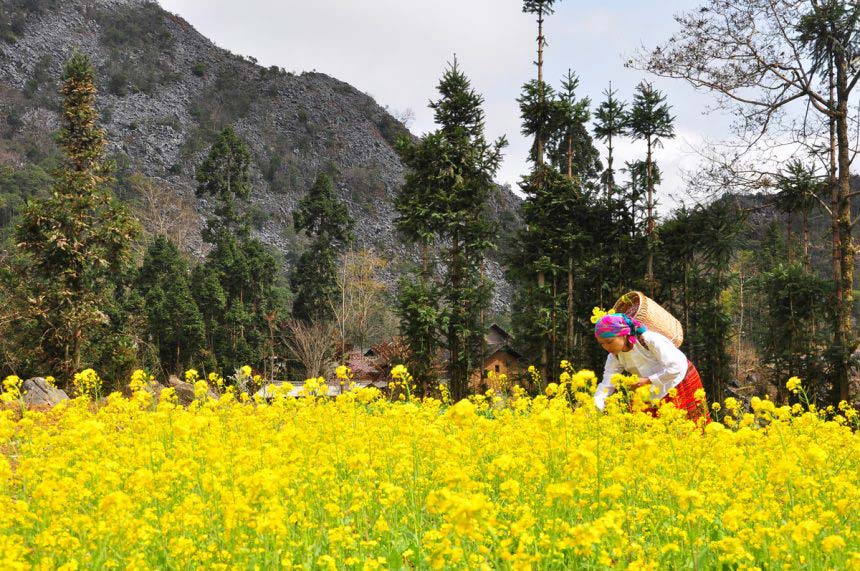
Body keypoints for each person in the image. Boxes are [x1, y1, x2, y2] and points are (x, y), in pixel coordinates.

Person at [593, 313, 709, 423]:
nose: (606, 347)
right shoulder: (614, 356)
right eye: (602, 344)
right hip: (652, 389)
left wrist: (648, 381)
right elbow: (607, 385)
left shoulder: (649, 340)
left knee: (690, 426)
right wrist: (594, 408)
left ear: (623, 334)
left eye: (609, 341)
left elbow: (675, 367)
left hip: (678, 381)